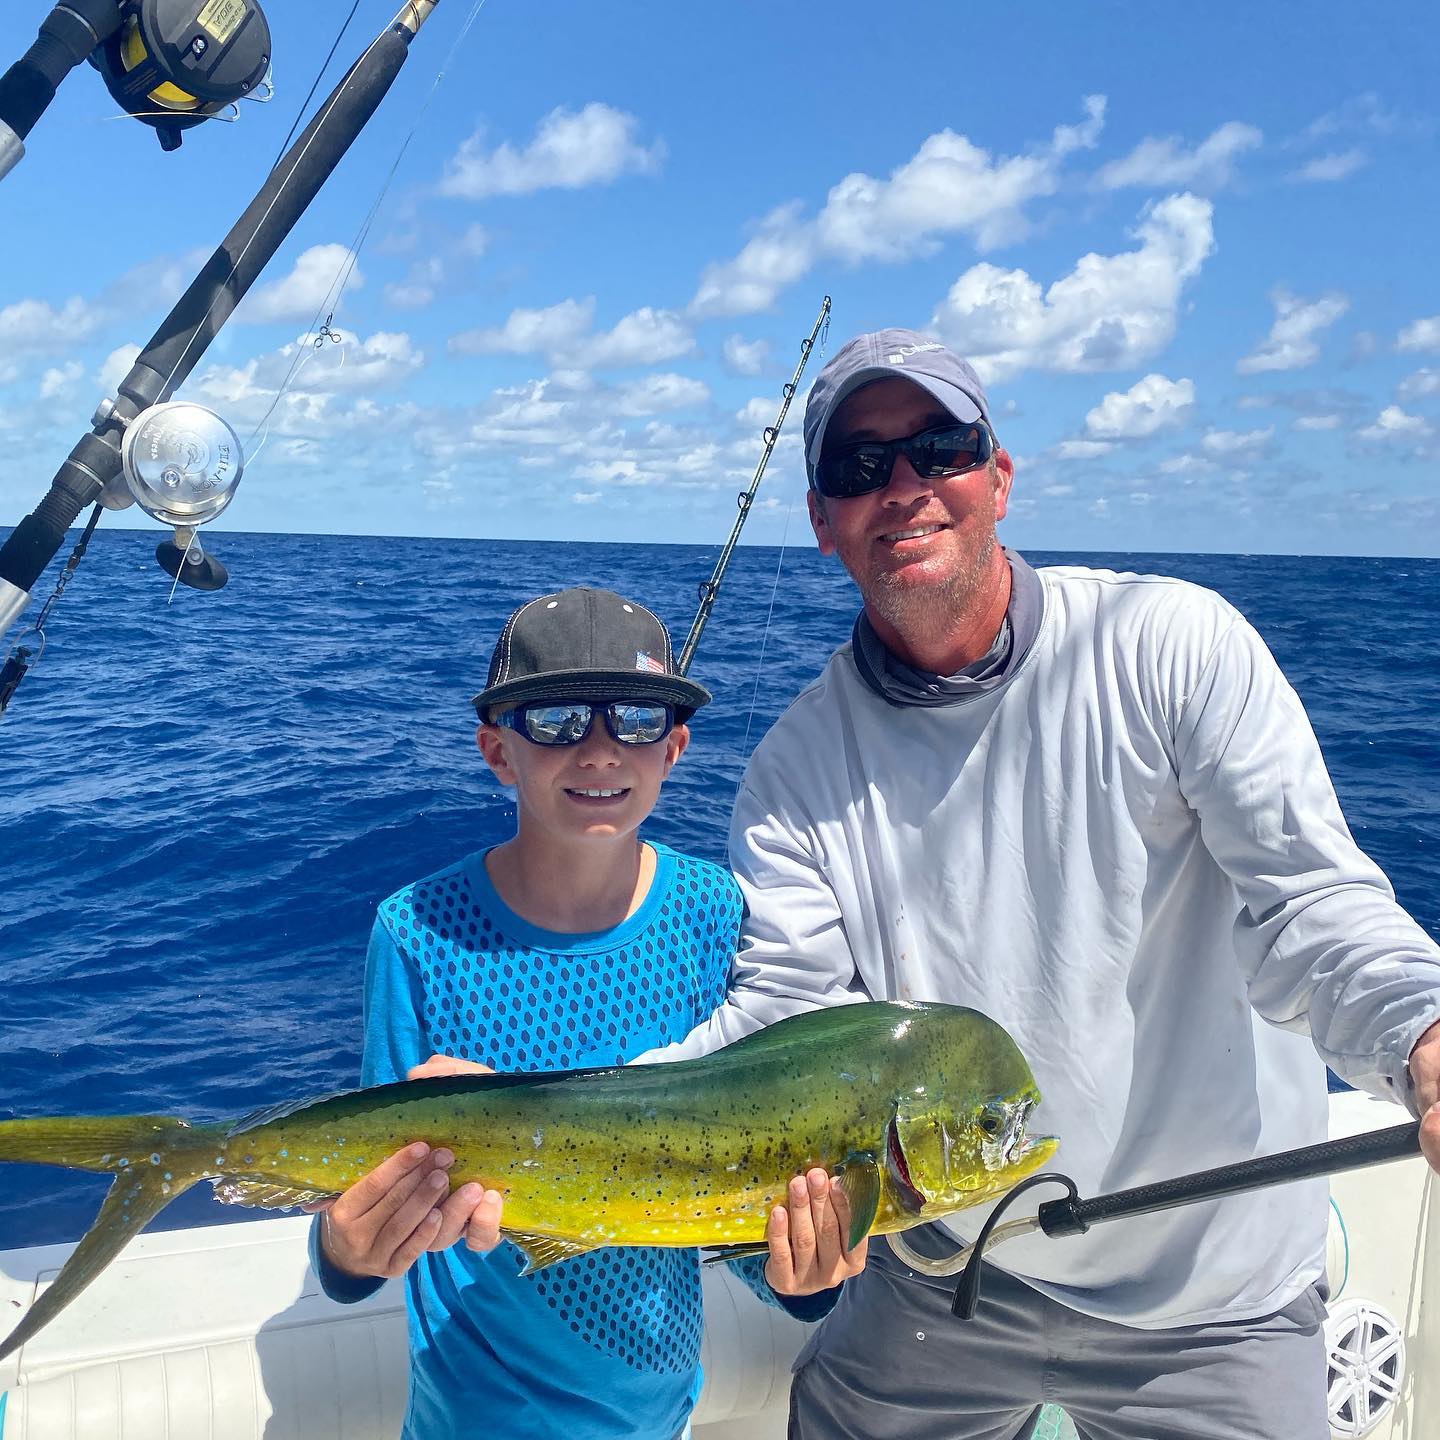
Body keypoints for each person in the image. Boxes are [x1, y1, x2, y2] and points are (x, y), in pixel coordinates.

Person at [640, 329, 1440, 1440]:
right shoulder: (795, 771)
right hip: (945, 1278)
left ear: (1000, 477)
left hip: (1215, 1298)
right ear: (823, 521)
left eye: (940, 447)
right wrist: (500, 1115)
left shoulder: (1171, 645)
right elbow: (784, 1031)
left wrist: (1422, 1034)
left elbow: (1312, 907)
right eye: (859, 467)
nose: (905, 487)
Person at [306, 586, 862, 1440]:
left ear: (674, 749)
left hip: (661, 1410)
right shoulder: (414, 928)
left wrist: (805, 1274)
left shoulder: (719, 913)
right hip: (470, 1416)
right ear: (498, 751)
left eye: (637, 721)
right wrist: (347, 1253)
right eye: (559, 719)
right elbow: (366, 1190)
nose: (601, 751)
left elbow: (735, 1187)